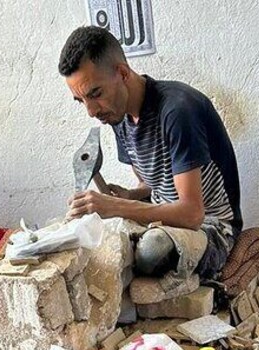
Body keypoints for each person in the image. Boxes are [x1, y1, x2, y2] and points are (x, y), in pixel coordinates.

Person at [59, 26, 242, 280]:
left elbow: (192, 213)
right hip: (165, 220)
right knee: (90, 241)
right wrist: (131, 195)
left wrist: (117, 206)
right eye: (81, 101)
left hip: (211, 227)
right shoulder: (117, 115)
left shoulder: (177, 111)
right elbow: (150, 184)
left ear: (123, 73)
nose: (91, 111)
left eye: (96, 94)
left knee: (151, 251)